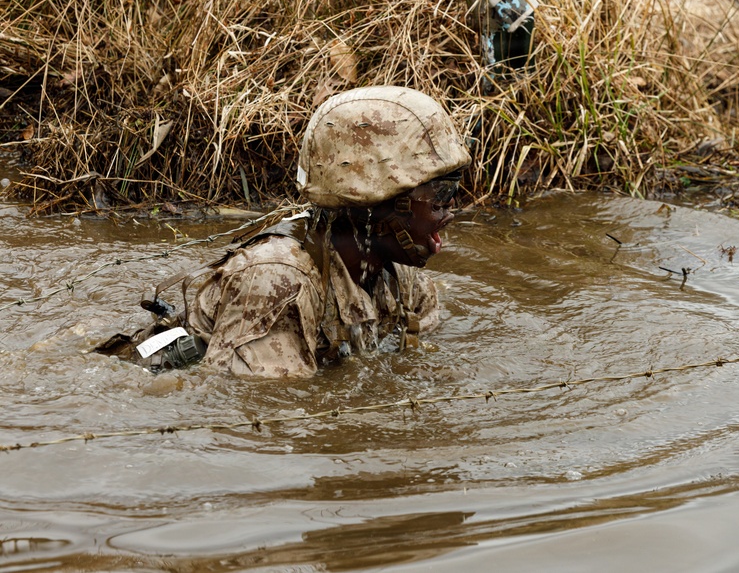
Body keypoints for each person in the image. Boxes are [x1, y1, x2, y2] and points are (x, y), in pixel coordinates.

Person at [97, 86, 471, 378]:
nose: (449, 211)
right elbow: (266, 412)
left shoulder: (401, 279)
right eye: (440, 196)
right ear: (376, 200)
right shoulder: (278, 281)